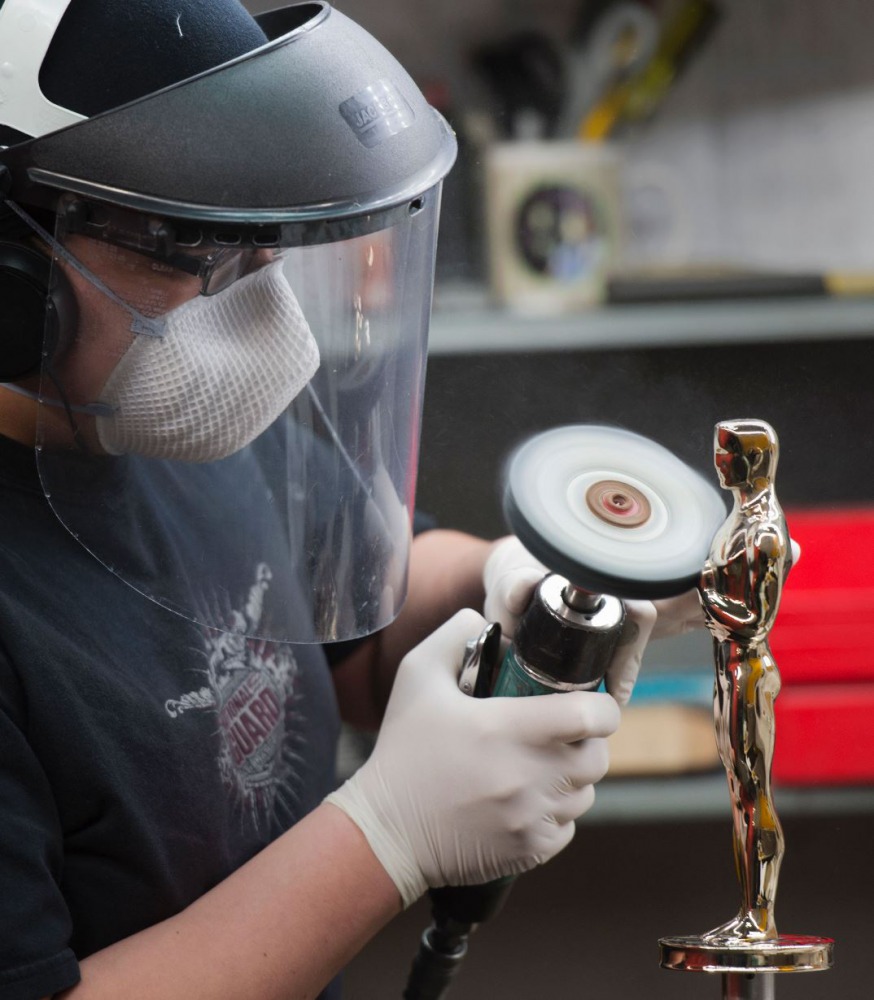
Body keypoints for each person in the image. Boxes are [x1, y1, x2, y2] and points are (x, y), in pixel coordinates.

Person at [0, 3, 701, 998]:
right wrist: (386, 837)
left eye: (254, 236)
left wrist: (519, 584)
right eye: (179, 242)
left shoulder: (169, 411)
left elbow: (351, 629)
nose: (249, 286)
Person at [698, 419, 791, 941]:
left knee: (753, 795)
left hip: (747, 671)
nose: (719, 462)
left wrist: (706, 594)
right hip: (728, 668)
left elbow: (755, 621)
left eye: (728, 453)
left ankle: (760, 916)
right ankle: (748, 913)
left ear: (752, 461)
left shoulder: (765, 534)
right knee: (740, 795)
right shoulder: (737, 521)